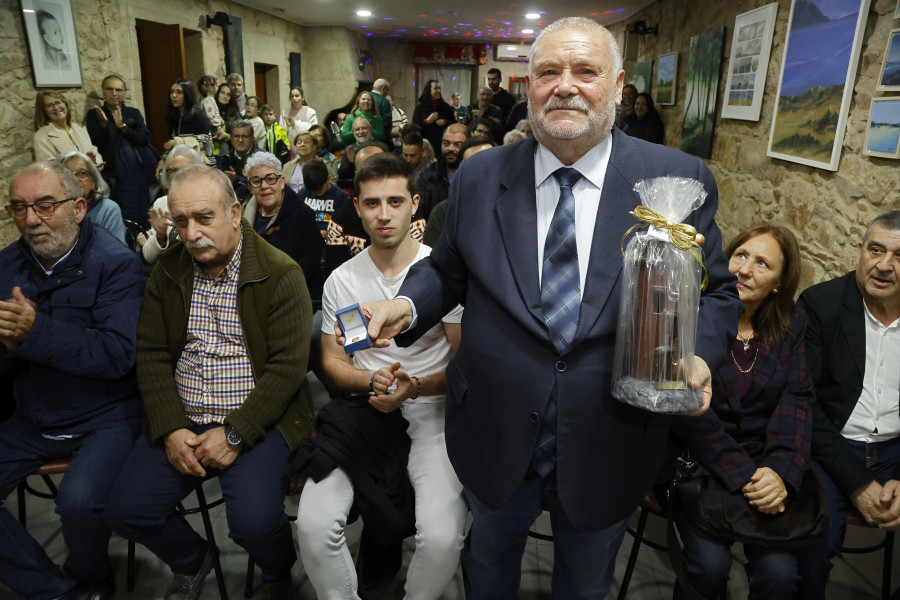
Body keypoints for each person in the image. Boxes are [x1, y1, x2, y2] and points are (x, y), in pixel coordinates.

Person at [352, 17, 741, 598]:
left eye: (585, 71)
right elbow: (449, 271)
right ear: (526, 86)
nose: (565, 85)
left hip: (610, 436)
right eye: (548, 72)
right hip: (494, 430)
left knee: (585, 584)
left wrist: (700, 355)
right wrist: (407, 306)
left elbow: (717, 294)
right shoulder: (479, 177)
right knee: (486, 567)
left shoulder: (675, 180)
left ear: (616, 85)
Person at [105, 164, 313, 600]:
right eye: (180, 222)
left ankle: (277, 571)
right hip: (185, 415)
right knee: (126, 511)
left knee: (255, 524)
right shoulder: (168, 271)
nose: (191, 232)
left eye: (204, 217)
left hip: (258, 417)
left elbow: (287, 370)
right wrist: (170, 426)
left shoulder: (281, 273)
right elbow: (152, 354)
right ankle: (193, 558)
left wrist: (235, 433)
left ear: (235, 213)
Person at [296, 153, 466, 600]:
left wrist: (418, 386)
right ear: (357, 206)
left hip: (432, 411)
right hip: (363, 412)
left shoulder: (442, 274)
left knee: (444, 536)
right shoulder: (342, 280)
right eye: (372, 204)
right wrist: (370, 382)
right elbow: (334, 362)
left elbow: (468, 365)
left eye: (395, 201)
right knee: (312, 527)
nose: (384, 215)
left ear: (415, 205)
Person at [0, 161, 145, 600]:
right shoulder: (6, 266)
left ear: (79, 207)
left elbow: (118, 354)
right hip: (31, 414)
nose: (31, 219)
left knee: (79, 504)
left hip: (106, 414)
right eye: (19, 208)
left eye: (45, 205)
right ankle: (60, 592)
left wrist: (33, 334)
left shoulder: (118, 266)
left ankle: (92, 576)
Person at [670, 224, 813, 600]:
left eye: (763, 264)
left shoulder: (792, 324)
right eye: (740, 255)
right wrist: (745, 473)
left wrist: (779, 472)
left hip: (763, 462)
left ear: (780, 283)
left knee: (781, 575)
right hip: (697, 460)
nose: (745, 269)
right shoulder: (691, 313)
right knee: (710, 567)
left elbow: (797, 400)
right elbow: (686, 410)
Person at [796, 210, 900, 597]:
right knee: (815, 540)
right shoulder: (820, 305)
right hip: (830, 447)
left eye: (899, 256)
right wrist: (858, 483)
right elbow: (805, 406)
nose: (884, 266)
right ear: (860, 251)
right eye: (876, 250)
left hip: (895, 448)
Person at [243, 151, 324, 297]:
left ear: (281, 182)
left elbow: (310, 264)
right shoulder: (243, 214)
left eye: (271, 179)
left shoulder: (303, 214)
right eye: (256, 181)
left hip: (294, 293)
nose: (264, 186)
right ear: (250, 187)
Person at [86, 74, 159, 229]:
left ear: (124, 93)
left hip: (135, 174)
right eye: (110, 89)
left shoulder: (133, 113)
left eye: (118, 90)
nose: (114, 93)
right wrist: (104, 125)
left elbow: (144, 138)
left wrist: (123, 128)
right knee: (117, 217)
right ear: (103, 92)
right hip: (111, 176)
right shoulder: (95, 115)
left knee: (140, 214)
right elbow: (95, 143)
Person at [136, 145, 205, 265]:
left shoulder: (210, 201)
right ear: (167, 175)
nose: (180, 174)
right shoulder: (162, 203)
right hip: (170, 275)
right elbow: (149, 257)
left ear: (199, 171)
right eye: (174, 170)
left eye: (187, 169)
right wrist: (160, 236)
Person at [423, 136, 495, 248]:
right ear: (462, 171)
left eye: (489, 162)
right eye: (474, 165)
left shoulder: (515, 209)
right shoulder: (443, 213)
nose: (483, 171)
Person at [58, 151, 126, 245]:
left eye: (82, 173)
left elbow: (117, 253)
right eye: (68, 174)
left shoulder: (108, 209)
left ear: (93, 182)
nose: (75, 179)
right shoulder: (52, 209)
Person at [414, 123, 468, 220]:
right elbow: (417, 210)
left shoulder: (474, 173)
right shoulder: (427, 173)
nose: (450, 149)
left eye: (458, 145)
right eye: (446, 144)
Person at [33, 91, 103, 166]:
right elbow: (49, 167)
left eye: (58, 102)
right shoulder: (42, 136)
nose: (56, 107)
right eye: (50, 105)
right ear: (44, 112)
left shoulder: (78, 128)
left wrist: (95, 163)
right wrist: (82, 169)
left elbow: (93, 151)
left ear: (65, 105)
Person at [216, 120, 261, 199]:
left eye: (245, 136)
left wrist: (237, 180)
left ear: (252, 139)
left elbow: (262, 185)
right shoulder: (225, 159)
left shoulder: (262, 159)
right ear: (231, 138)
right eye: (236, 136)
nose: (240, 140)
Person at [164, 79, 212, 150]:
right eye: (171, 92)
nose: (174, 95)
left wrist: (177, 142)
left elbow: (204, 144)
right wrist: (165, 158)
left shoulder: (198, 116)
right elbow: (171, 145)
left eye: (179, 92)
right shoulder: (174, 116)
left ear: (187, 94)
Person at [412, 80, 456, 157]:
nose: (438, 90)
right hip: (425, 147)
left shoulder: (446, 107)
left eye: (439, 88)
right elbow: (414, 128)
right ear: (428, 90)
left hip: (442, 145)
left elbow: (454, 124)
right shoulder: (420, 108)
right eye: (436, 88)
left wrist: (445, 122)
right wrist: (427, 122)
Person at [371, 79, 394, 148]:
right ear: (383, 88)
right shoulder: (384, 101)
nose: (387, 93)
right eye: (387, 90)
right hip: (380, 142)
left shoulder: (363, 98)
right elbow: (387, 123)